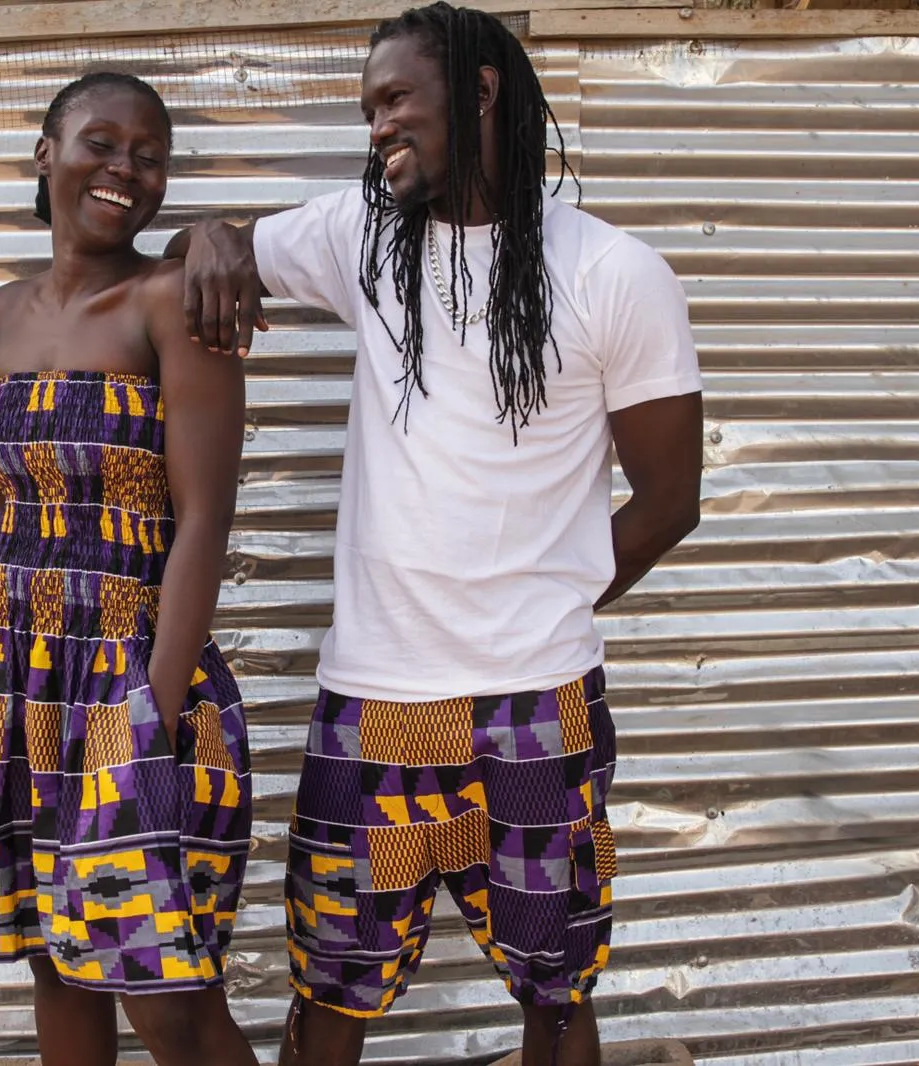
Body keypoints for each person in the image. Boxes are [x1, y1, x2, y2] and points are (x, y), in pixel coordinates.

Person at [166, 5, 704, 1065]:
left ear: (481, 92)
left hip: (534, 704)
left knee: (555, 992)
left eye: (394, 100)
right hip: (376, 701)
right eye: (369, 108)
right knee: (331, 990)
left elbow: (667, 500)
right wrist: (215, 238)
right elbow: (211, 251)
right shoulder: (360, 232)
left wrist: (542, 604)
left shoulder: (612, 273)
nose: (375, 128)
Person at [0, 72, 257, 1066]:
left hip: (132, 679)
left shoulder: (171, 303)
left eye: (149, 155)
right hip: (14, 677)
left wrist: (153, 714)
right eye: (102, 143)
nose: (126, 170)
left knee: (162, 986)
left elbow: (206, 520)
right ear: (45, 153)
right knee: (56, 955)